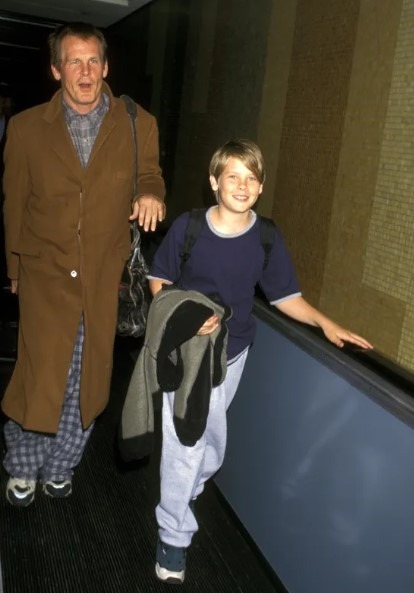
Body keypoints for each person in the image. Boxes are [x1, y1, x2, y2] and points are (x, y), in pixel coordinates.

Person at [147, 138, 372, 584]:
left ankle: (184, 491)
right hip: (188, 352)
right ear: (214, 182)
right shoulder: (190, 227)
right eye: (232, 176)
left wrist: (326, 323)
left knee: (210, 447)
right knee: (185, 444)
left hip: (233, 355)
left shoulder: (266, 236)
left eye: (251, 178)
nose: (242, 185)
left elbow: (286, 296)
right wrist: (187, 318)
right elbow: (159, 280)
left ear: (261, 186)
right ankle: (173, 535)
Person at [1, 21, 165, 507]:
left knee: (86, 377)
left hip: (101, 277)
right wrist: (14, 271)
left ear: (106, 66)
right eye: (74, 61)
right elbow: (14, 205)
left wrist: (151, 193)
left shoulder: (137, 123)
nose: (86, 71)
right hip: (43, 275)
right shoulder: (26, 128)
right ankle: (22, 465)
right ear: (57, 70)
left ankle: (62, 465)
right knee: (38, 376)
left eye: (93, 60)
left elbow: (150, 173)